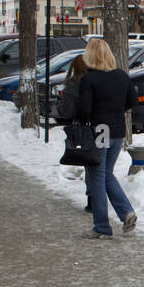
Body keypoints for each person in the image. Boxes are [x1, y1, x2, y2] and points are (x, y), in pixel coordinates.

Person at [76, 38, 137, 239]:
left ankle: (102, 226)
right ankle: (126, 212)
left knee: (97, 177)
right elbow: (132, 101)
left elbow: (84, 110)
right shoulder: (121, 76)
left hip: (100, 130)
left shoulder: (89, 79)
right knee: (106, 173)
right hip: (118, 130)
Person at [54, 55, 92, 213]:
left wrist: (59, 103)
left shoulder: (73, 84)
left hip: (83, 129)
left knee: (91, 163)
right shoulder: (95, 81)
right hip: (103, 126)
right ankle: (97, 197)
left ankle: (92, 198)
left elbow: (66, 112)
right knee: (100, 165)